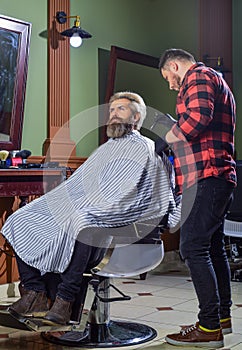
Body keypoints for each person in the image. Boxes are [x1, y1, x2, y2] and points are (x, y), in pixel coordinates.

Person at [1, 91, 181, 325]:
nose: (113, 115)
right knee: (23, 217)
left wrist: (102, 206)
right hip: (95, 209)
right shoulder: (108, 148)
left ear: (136, 118)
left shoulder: (147, 148)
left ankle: (65, 299)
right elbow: (79, 186)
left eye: (121, 110)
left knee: (82, 219)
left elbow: (155, 196)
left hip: (126, 218)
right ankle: (36, 291)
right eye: (111, 110)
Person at [158, 48, 236, 348]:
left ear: (175, 66)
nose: (170, 85)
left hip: (208, 176)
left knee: (192, 247)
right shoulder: (214, 80)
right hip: (217, 177)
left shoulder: (200, 76)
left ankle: (208, 328)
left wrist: (166, 139)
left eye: (168, 77)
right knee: (213, 248)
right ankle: (222, 318)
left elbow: (197, 120)